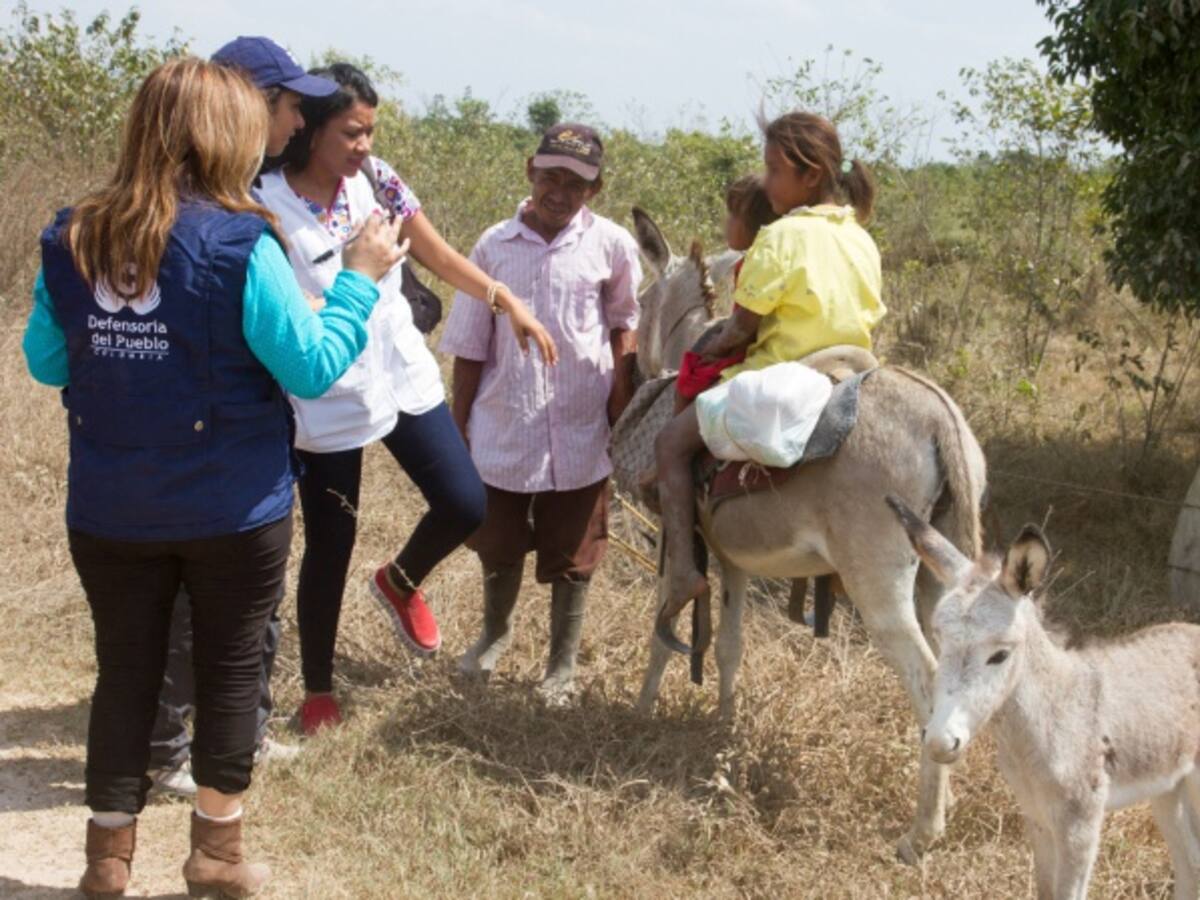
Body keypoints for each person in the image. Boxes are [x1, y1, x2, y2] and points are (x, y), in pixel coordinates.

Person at [22, 57, 405, 898]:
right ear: (225, 134)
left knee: (124, 670)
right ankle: (216, 855)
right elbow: (309, 368)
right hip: (232, 506)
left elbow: (46, 361)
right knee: (233, 670)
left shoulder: (74, 234)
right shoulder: (240, 241)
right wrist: (360, 282)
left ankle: (106, 860)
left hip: (111, 505)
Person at [258, 62, 557, 735]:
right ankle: (317, 689)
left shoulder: (377, 181)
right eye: (351, 132)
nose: (363, 145)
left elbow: (441, 255)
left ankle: (398, 580)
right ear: (308, 128)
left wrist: (508, 303)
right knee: (331, 538)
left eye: (370, 131)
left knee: (463, 500)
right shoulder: (265, 199)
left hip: (397, 365)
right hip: (326, 386)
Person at [146, 34, 340, 801]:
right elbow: (306, 363)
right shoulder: (227, 220)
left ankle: (235, 738)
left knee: (235, 611)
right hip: (207, 447)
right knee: (188, 609)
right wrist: (347, 296)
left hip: (228, 443)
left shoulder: (234, 201)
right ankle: (171, 755)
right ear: (244, 103)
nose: (298, 123)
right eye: (291, 106)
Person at [654, 111, 885, 622]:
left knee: (670, 443)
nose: (766, 182)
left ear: (811, 175)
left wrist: (712, 347)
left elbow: (742, 329)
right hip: (851, 376)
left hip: (788, 377)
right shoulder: (861, 237)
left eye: (774, 170)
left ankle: (683, 573)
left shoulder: (780, 238)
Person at [442, 123, 643, 700]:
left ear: (595, 189)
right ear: (530, 170)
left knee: (574, 551)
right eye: (551, 177)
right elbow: (471, 346)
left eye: (576, 184)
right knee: (497, 539)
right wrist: (458, 428)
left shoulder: (610, 246)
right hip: (507, 423)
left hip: (582, 427)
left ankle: (562, 666)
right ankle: (494, 636)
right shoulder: (493, 246)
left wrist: (620, 403)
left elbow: (622, 325)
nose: (560, 192)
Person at [673, 174, 780, 412]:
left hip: (751, 352)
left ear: (752, 225)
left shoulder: (753, 262)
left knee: (689, 380)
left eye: (732, 215)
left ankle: (677, 433)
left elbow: (744, 325)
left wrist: (716, 348)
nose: (726, 222)